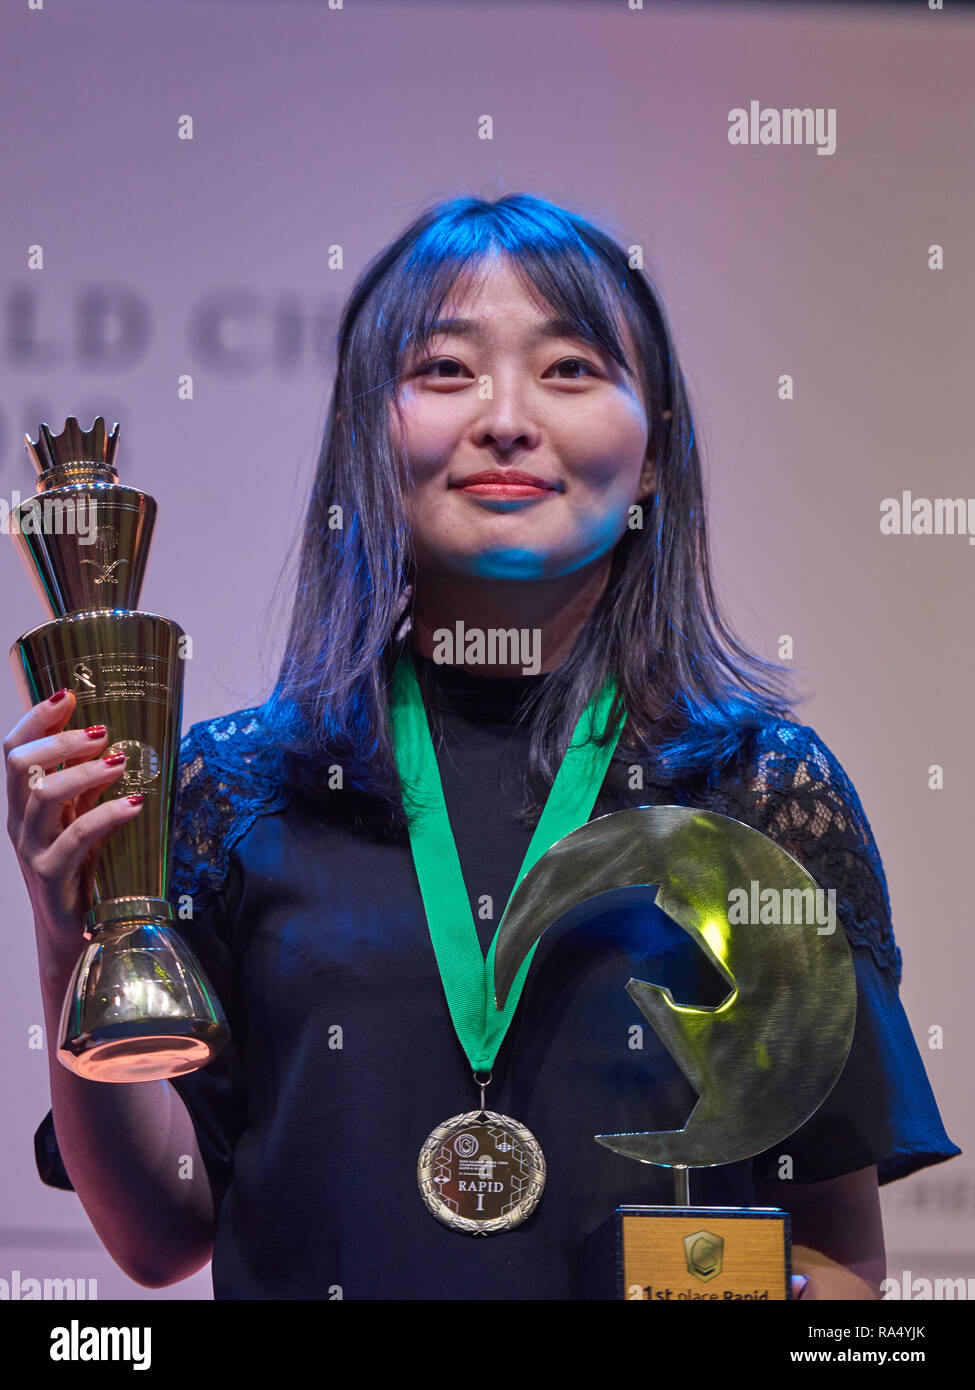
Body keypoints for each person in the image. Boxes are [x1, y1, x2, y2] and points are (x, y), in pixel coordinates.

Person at [7, 194, 959, 1301]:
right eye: (447, 370)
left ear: (653, 455)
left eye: (569, 368)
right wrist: (68, 934)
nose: (507, 416)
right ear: (370, 439)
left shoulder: (759, 792)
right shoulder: (238, 794)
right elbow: (161, 1233)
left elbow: (834, 1256)